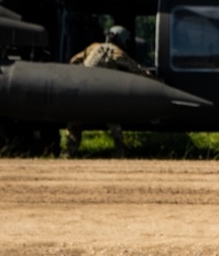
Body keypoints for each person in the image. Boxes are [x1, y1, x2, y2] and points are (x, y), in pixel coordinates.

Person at [65, 25, 154, 157]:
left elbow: (73, 61)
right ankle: (120, 153)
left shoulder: (93, 47)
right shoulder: (116, 52)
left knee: (74, 124)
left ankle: (70, 153)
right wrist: (153, 78)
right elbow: (135, 69)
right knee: (114, 124)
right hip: (101, 94)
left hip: (83, 92)